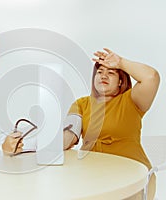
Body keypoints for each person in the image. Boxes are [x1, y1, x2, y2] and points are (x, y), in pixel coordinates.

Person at [63, 48, 159, 199]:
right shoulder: (81, 104)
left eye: (111, 72)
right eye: (100, 72)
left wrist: (121, 63)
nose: (103, 76)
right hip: (93, 175)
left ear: (121, 81)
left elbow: (151, 77)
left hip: (132, 177)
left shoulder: (131, 100)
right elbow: (69, 134)